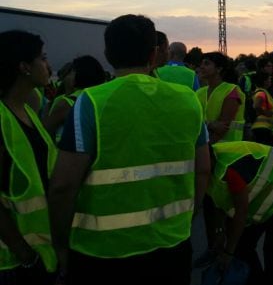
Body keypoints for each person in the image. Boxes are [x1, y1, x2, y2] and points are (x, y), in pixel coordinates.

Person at [47, 14, 211, 285]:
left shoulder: (91, 102)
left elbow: (63, 186)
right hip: (171, 245)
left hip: (101, 253)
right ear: (154, 53)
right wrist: (189, 215)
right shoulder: (189, 101)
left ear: (108, 53)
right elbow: (203, 169)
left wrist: (60, 244)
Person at [0, 30, 58, 284]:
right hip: (11, 262)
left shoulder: (27, 111)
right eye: (43, 59)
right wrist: (23, 253)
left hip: (38, 255)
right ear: (24, 67)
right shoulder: (3, 118)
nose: (49, 66)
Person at [207, 141, 273, 285]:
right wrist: (219, 231)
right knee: (243, 246)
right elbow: (218, 201)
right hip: (262, 190)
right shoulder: (206, 167)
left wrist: (228, 252)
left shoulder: (230, 170)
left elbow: (241, 213)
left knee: (272, 247)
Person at [43, 55, 105, 143]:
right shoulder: (99, 97)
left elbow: (45, 133)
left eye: (71, 72)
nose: (67, 76)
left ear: (78, 75)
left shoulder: (66, 103)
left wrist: (47, 108)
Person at [197, 52, 245, 143]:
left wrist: (205, 148)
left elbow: (222, 129)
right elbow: (193, 121)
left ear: (219, 69)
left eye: (206, 63)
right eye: (201, 64)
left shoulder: (231, 91)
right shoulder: (200, 92)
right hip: (204, 147)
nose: (201, 67)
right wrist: (210, 124)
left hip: (227, 149)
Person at [250, 72, 273, 147]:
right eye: (269, 79)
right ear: (264, 81)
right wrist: (266, 113)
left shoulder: (263, 92)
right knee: (268, 149)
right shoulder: (261, 93)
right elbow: (256, 106)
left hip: (264, 127)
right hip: (263, 127)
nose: (270, 81)